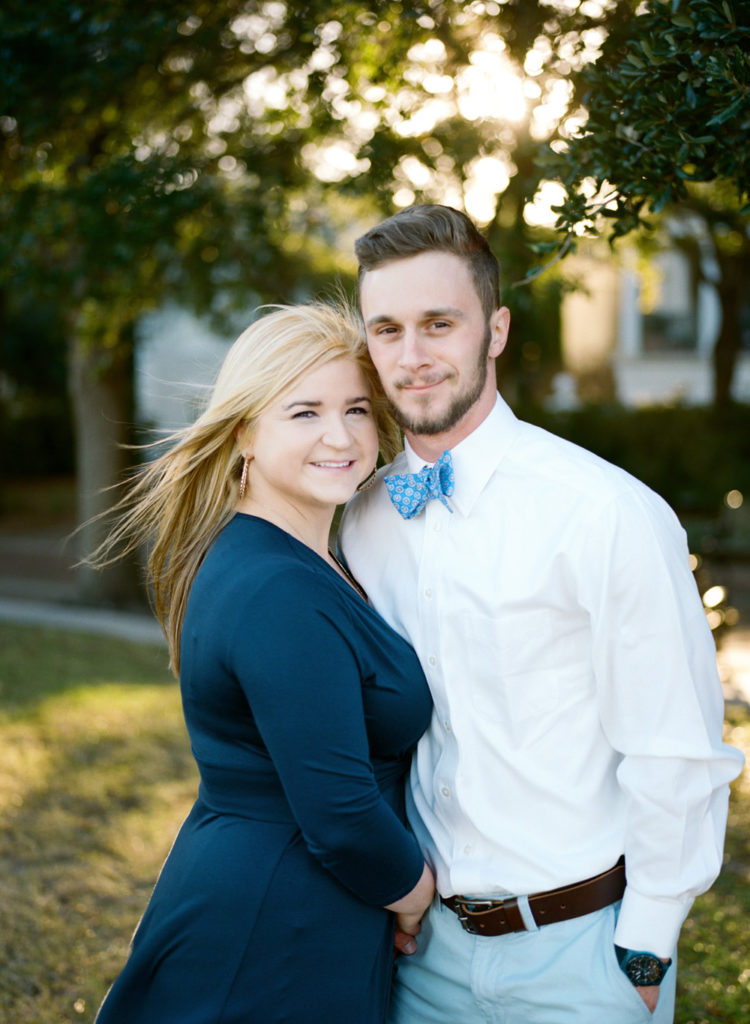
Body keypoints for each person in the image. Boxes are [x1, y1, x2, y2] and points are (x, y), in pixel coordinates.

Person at [339, 204, 745, 1023]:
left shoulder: (606, 514)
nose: (411, 358)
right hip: (422, 958)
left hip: (585, 959)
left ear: (495, 329)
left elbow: (675, 751)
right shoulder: (360, 520)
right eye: (386, 330)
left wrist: (646, 944)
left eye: (438, 324)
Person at [91, 302, 435, 1024]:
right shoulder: (278, 587)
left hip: (289, 899)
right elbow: (340, 814)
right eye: (304, 412)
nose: (339, 436)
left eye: (357, 410)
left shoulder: (296, 555)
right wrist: (415, 895)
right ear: (245, 429)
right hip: (279, 922)